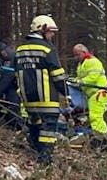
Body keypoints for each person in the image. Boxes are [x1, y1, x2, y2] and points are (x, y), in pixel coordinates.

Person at [14, 15, 67, 166]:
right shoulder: (47, 48)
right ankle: (45, 158)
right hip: (46, 97)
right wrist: (65, 91)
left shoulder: (20, 48)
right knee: (48, 127)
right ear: (42, 30)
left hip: (28, 97)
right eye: (50, 31)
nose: (53, 35)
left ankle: (36, 151)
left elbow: (15, 71)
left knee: (34, 123)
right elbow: (57, 74)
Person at [72, 43, 107, 142]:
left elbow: (93, 77)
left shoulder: (92, 61)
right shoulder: (82, 64)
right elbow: (82, 78)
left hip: (99, 93)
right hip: (93, 94)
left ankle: (102, 138)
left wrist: (80, 82)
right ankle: (100, 136)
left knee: (95, 116)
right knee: (94, 116)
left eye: (78, 55)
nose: (76, 57)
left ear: (84, 52)